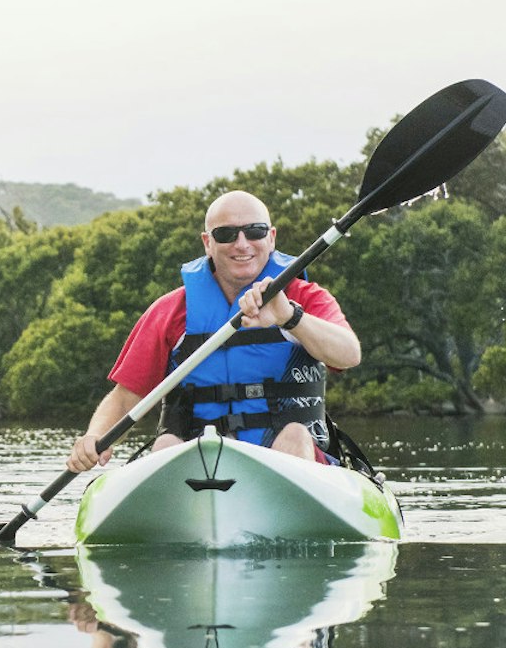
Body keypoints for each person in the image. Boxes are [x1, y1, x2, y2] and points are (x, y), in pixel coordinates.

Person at [67, 190, 360, 471]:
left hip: (289, 457)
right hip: (201, 457)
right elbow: (126, 396)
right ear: (208, 242)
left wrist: (290, 317)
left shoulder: (305, 297)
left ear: (271, 238)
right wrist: (96, 437)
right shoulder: (170, 311)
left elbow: (349, 354)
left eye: (254, 231)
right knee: (167, 444)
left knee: (295, 435)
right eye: (226, 234)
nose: (242, 244)